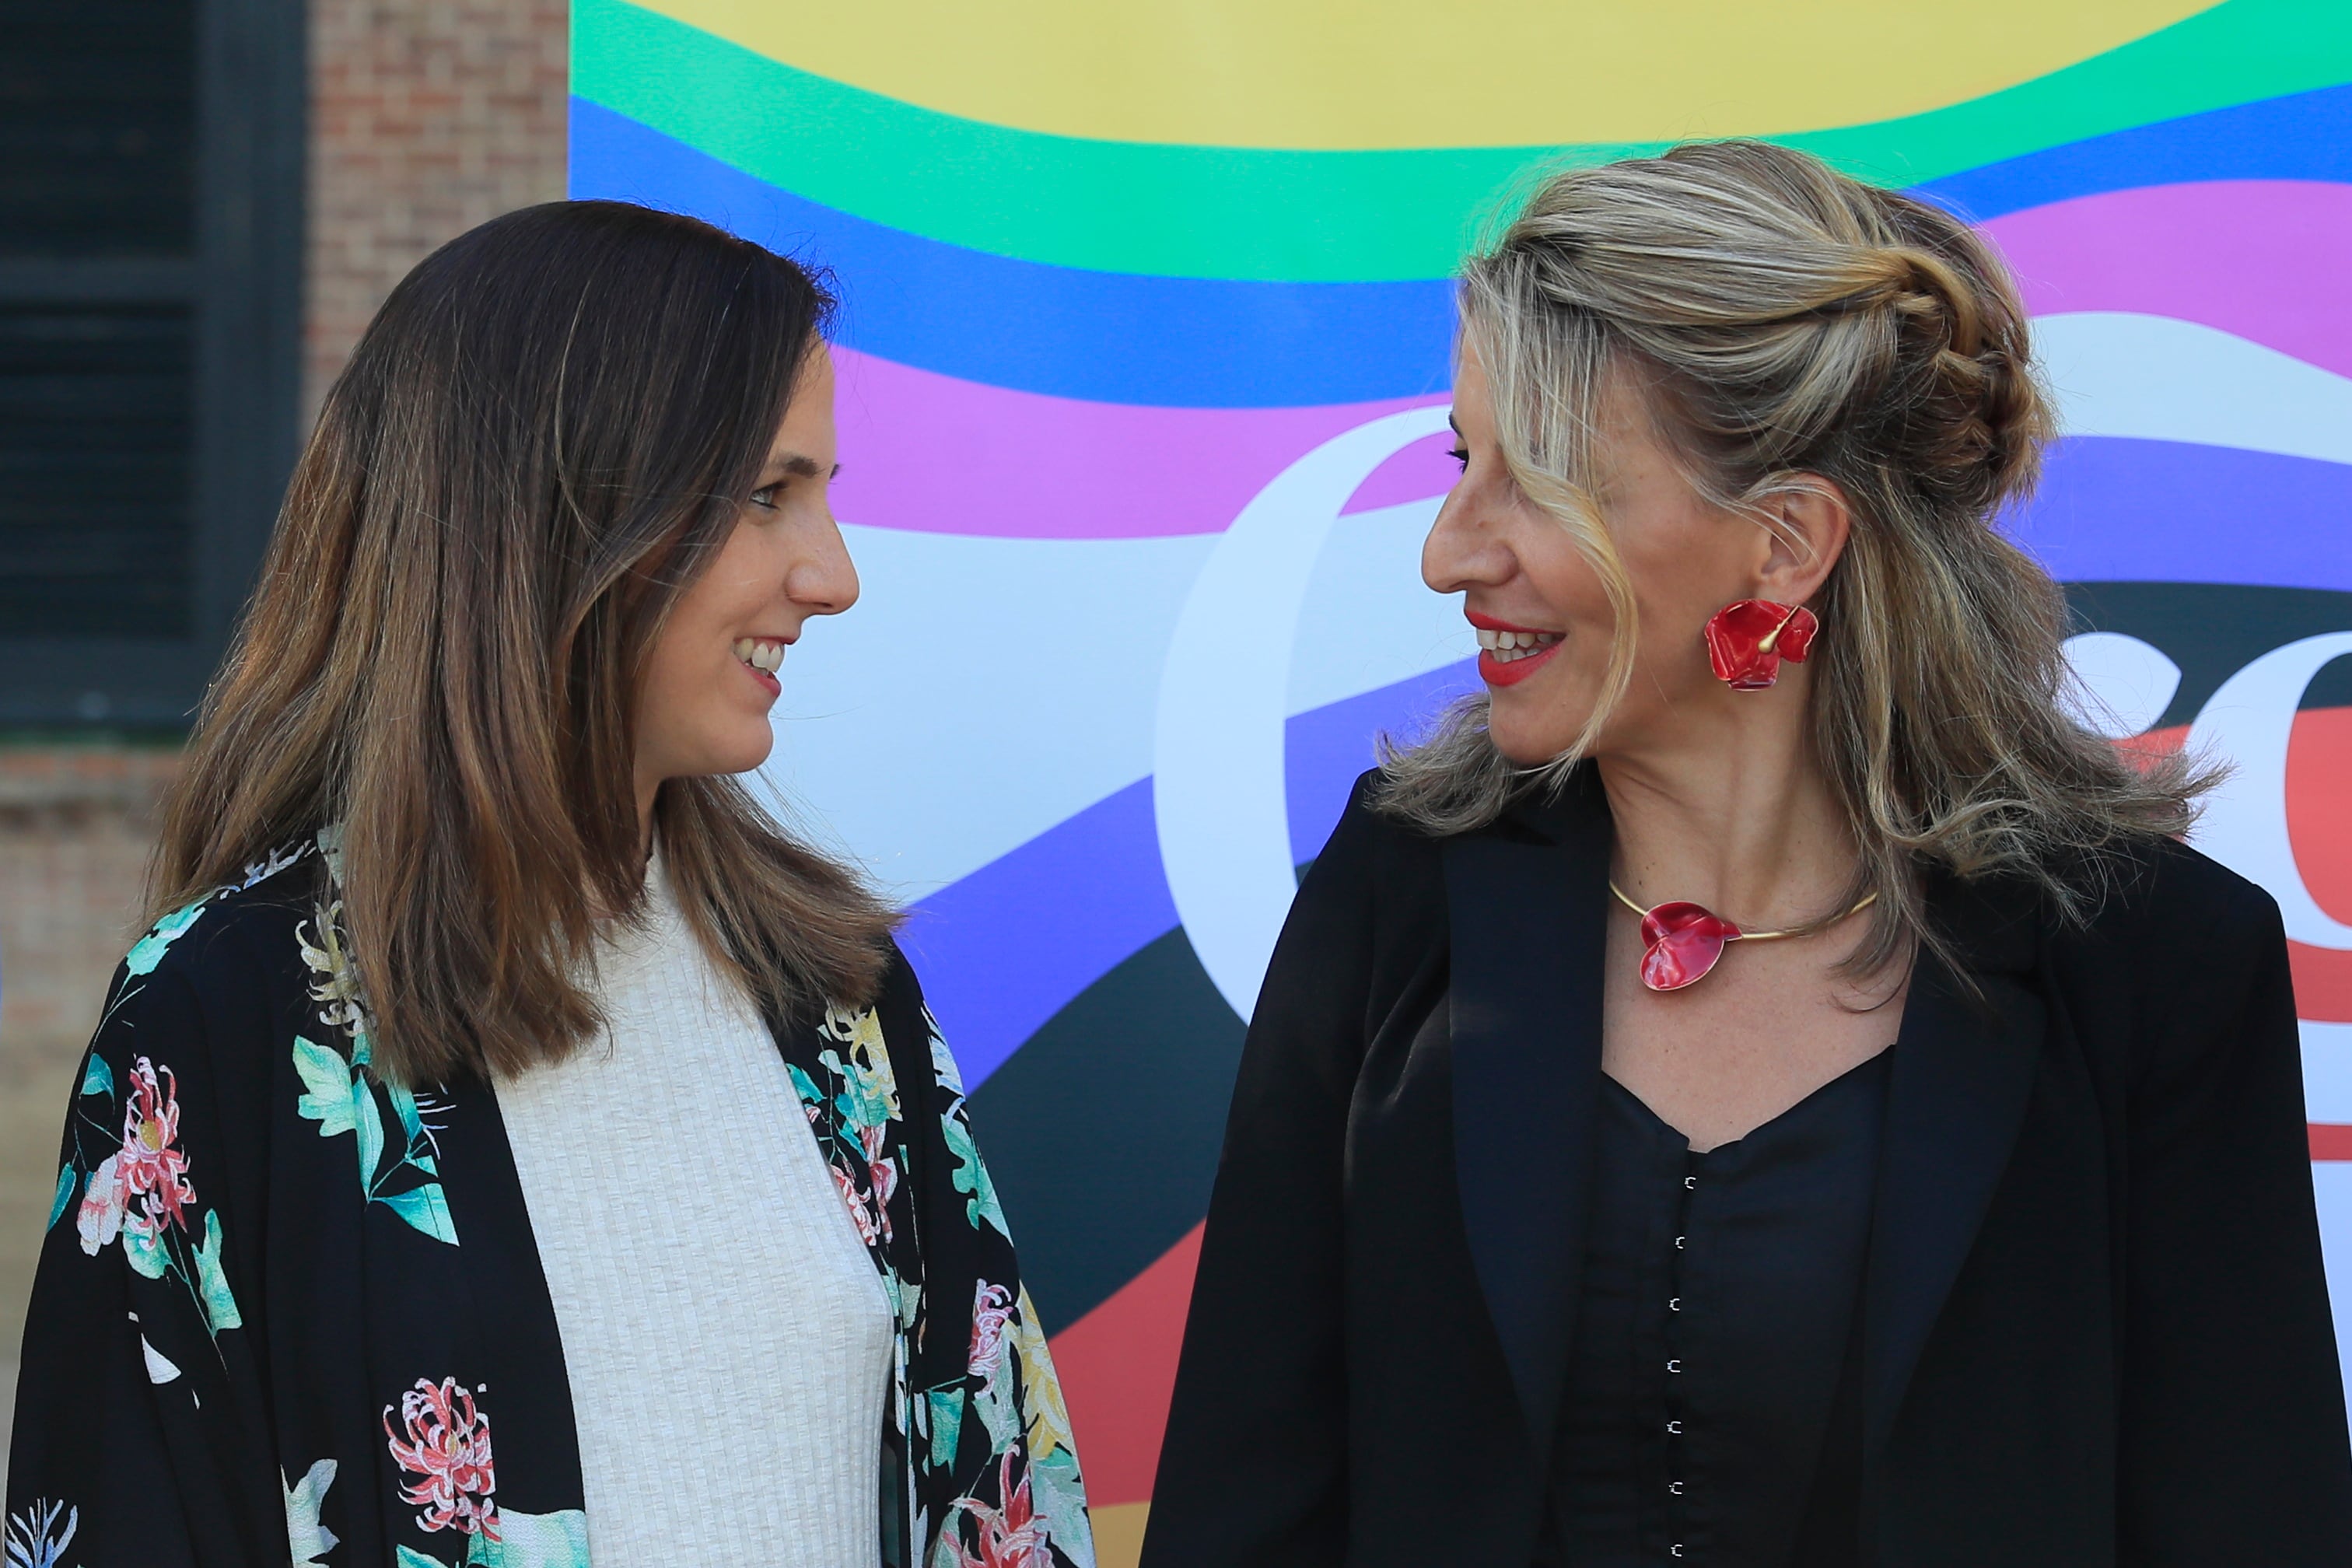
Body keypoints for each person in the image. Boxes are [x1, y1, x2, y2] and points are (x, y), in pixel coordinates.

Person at [1142, 141, 2352, 1566]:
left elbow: (2246, 1520)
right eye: (1463, 462)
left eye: (1535, 480)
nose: (1449, 550)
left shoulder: (2152, 960)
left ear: (1785, 543)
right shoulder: (1399, 897)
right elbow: (1245, 1505)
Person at [5, 202, 1092, 1568]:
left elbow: (1000, 1500)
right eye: (767, 494)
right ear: (560, 515)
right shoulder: (220, 1020)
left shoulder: (838, 1006)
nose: (834, 574)